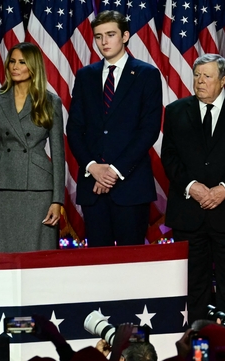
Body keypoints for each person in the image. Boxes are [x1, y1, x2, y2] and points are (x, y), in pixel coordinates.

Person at [161, 54, 225, 323]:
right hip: (188, 213)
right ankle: (198, 340)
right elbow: (169, 157)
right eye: (196, 75)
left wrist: (223, 190)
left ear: (224, 80)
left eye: (207, 76)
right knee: (194, 284)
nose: (200, 81)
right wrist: (192, 186)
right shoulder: (175, 111)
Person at [66, 10, 162, 247]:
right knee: (98, 264)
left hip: (130, 186)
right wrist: (92, 167)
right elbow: (75, 128)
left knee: (131, 263)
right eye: (98, 36)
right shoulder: (85, 75)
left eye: (110, 35)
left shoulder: (146, 74)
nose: (104, 42)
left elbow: (148, 130)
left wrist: (113, 172)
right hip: (93, 188)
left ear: (125, 36)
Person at [0, 42, 65, 252]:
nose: (15, 67)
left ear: (33, 66)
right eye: (12, 62)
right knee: (2, 254)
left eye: (22, 62)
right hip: (0, 187)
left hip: (37, 188)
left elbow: (59, 155)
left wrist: (57, 200)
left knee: (39, 254)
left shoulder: (50, 102)